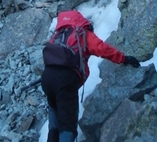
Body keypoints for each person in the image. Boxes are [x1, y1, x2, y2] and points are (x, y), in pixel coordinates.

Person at [41, 10, 140, 142]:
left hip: (47, 77)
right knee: (68, 125)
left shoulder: (58, 34)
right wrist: (124, 59)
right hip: (65, 80)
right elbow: (103, 49)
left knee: (54, 115)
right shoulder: (82, 34)